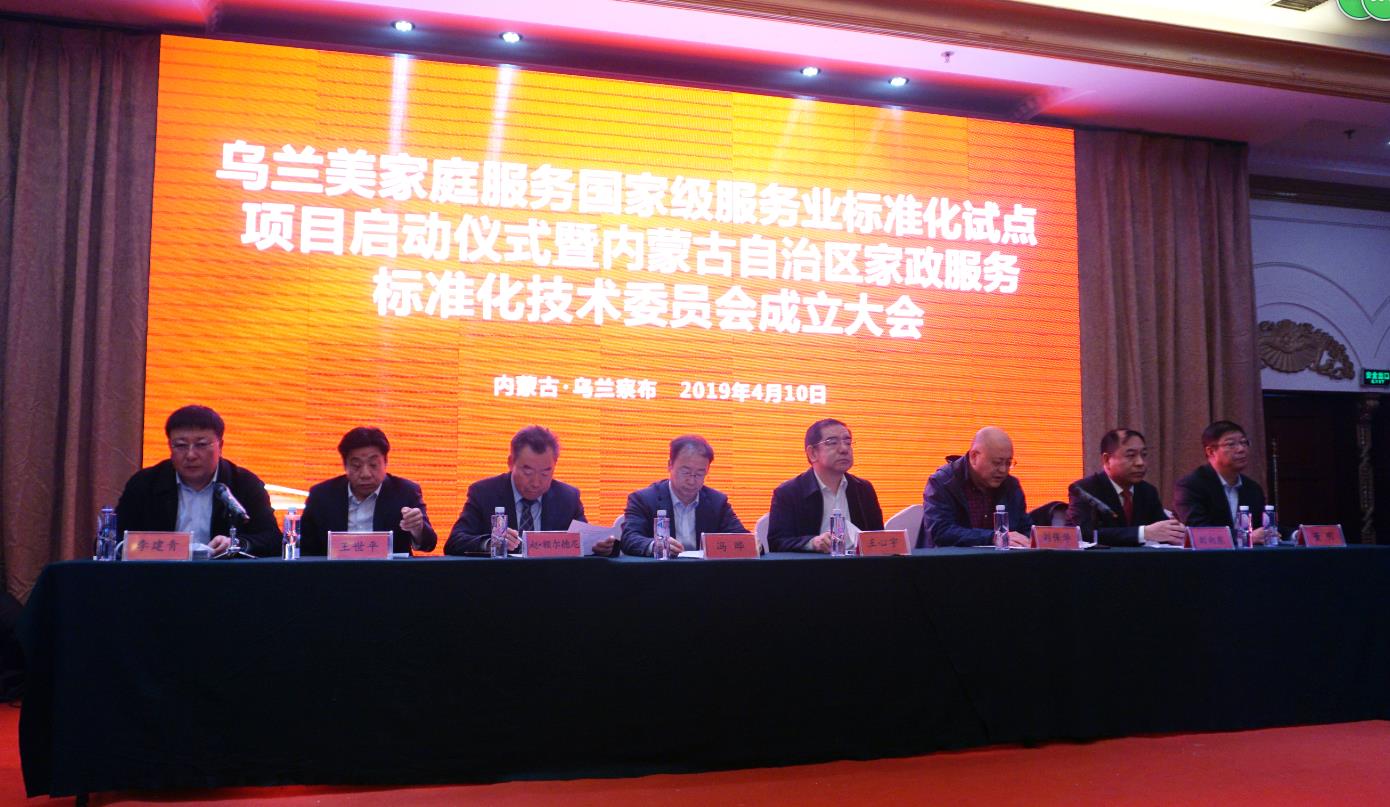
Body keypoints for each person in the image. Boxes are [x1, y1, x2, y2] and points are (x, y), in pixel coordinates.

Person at [115, 405, 280, 557]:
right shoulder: (145, 484)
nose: (191, 455)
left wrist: (237, 543)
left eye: (201, 445)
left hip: (223, 575)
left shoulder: (244, 483)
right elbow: (116, 540)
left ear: (220, 446)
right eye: (181, 445)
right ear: (170, 446)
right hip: (159, 574)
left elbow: (272, 539)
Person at [444, 425, 616, 556]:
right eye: (528, 471)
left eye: (545, 472)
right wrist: (491, 543)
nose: (536, 482)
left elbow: (584, 541)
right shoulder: (484, 493)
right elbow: (454, 543)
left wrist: (601, 548)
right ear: (511, 463)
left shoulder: (568, 498)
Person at [299, 427, 437, 555]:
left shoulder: (405, 491)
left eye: (373, 465)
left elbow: (429, 544)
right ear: (345, 465)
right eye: (356, 465)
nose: (365, 474)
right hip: (334, 572)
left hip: (390, 572)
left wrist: (417, 529)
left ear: (385, 463)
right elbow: (305, 550)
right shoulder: (321, 496)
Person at [767, 419, 884, 553]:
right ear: (812, 453)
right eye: (832, 443)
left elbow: (879, 538)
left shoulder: (863, 489)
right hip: (813, 564)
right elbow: (777, 543)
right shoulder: (789, 492)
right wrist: (812, 543)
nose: (844, 449)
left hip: (858, 564)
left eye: (848, 442)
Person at [620, 435, 747, 557]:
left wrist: (751, 544)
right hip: (662, 570)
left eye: (699, 474)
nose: (692, 481)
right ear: (670, 465)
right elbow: (629, 538)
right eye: (685, 472)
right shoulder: (644, 499)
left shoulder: (717, 502)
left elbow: (741, 538)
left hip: (705, 570)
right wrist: (656, 546)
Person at [1067, 428, 1185, 547]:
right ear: (1107, 460)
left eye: (1144, 455)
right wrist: (1143, 533)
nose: (1140, 463)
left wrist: (1176, 532)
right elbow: (1084, 534)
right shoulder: (1083, 490)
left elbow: (1162, 529)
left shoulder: (1148, 491)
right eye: (1131, 455)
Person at [921, 426, 1031, 548]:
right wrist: (993, 538)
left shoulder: (1011, 485)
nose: (1003, 470)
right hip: (951, 558)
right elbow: (941, 532)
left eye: (1008, 463)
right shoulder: (943, 482)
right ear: (974, 457)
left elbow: (1025, 529)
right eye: (997, 463)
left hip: (1003, 558)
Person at [1173, 420, 1272, 544]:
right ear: (1210, 451)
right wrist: (1245, 537)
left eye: (1244, 442)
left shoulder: (1252, 488)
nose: (1241, 449)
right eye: (1231, 444)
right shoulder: (1190, 485)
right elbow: (1198, 530)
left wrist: (1292, 534)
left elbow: (1264, 525)